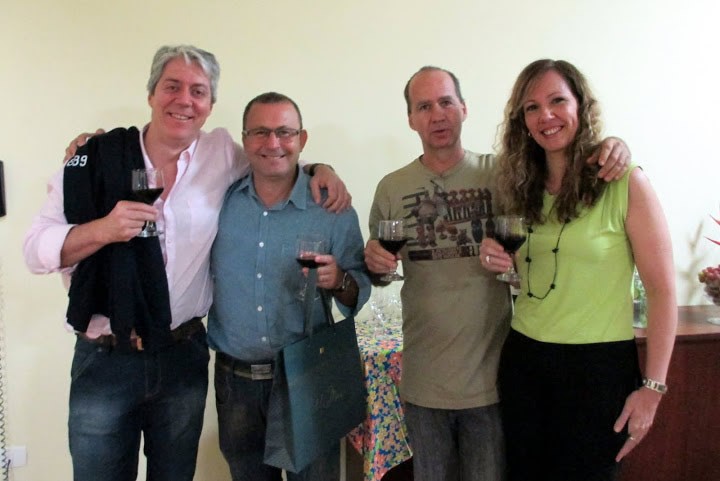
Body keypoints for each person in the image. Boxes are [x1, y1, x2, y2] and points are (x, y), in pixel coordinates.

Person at [22, 45, 348, 481]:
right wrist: (103, 229)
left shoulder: (221, 155)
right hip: (106, 357)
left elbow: (275, 158)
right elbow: (34, 250)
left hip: (181, 356)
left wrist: (321, 168)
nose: (185, 100)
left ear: (210, 105)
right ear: (151, 94)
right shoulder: (96, 158)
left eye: (198, 91)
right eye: (172, 87)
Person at [363, 65, 632, 481]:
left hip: (493, 383)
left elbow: (560, 169)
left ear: (464, 109)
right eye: (424, 106)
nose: (437, 115)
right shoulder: (391, 188)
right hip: (423, 382)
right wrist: (376, 266)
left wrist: (614, 146)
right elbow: (381, 269)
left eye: (446, 102)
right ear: (411, 119)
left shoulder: (505, 175)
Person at [480, 59, 677, 481]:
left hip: (598, 372)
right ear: (521, 121)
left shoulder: (623, 182)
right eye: (532, 107)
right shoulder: (520, 188)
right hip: (525, 362)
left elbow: (662, 291)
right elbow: (533, 274)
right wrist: (496, 258)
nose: (546, 116)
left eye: (557, 101)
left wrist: (653, 389)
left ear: (580, 106)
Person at [207, 91, 371, 481]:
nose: (273, 143)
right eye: (260, 132)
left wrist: (339, 280)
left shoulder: (332, 208)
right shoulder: (218, 202)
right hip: (235, 383)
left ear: (302, 139)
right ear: (245, 140)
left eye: (285, 132)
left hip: (308, 378)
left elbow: (359, 288)